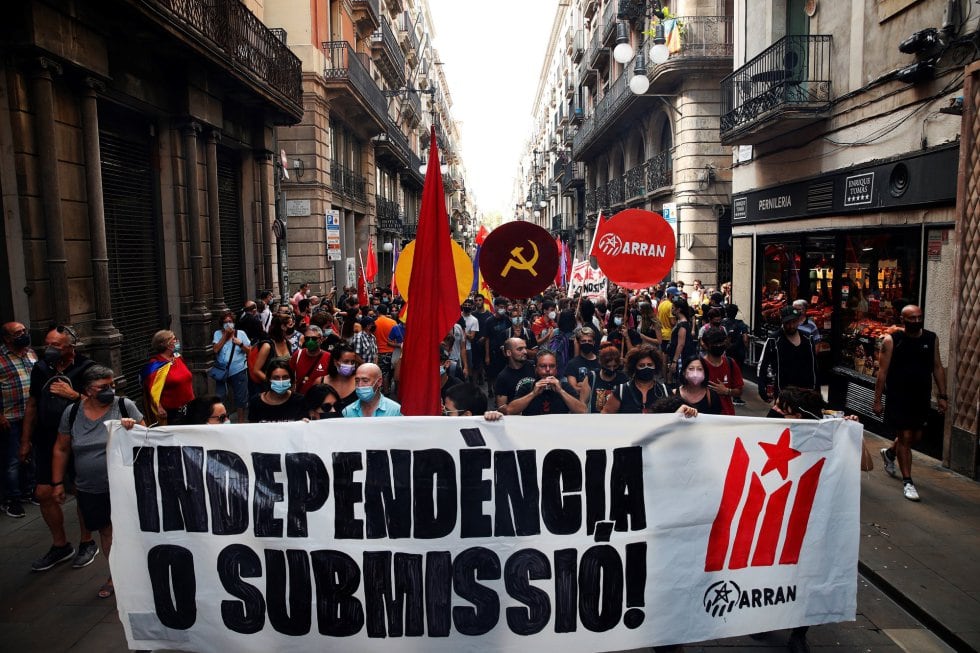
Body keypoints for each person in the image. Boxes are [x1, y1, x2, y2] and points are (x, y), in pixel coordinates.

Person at [51, 365, 144, 598]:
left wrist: (131, 429)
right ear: (88, 390)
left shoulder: (124, 406)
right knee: (106, 531)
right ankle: (117, 575)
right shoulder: (72, 413)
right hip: (90, 487)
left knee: (124, 529)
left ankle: (130, 573)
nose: (110, 390)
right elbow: (61, 449)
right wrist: (57, 483)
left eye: (112, 385)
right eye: (104, 387)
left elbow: (147, 438)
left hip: (124, 484)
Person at [20, 325, 98, 571]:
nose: (49, 349)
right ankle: (60, 545)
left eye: (55, 345)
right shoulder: (41, 369)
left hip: (78, 440)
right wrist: (25, 440)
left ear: (70, 347)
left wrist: (73, 394)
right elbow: (32, 404)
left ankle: (87, 541)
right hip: (46, 438)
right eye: (47, 344)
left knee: (79, 490)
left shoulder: (87, 369)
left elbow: (101, 405)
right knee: (44, 492)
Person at [874, 305, 947, 502]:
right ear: (903, 319)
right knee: (905, 436)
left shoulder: (931, 339)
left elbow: (937, 367)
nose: (916, 321)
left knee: (916, 436)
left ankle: (890, 453)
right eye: (911, 318)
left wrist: (942, 395)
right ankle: (908, 482)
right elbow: (882, 373)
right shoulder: (892, 341)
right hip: (899, 396)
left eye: (919, 317)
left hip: (921, 396)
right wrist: (878, 400)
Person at [0, 321, 37, 517]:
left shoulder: (30, 353)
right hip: (11, 416)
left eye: (24, 331)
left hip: (31, 415)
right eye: (17, 333)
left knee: (31, 454)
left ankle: (29, 491)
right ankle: (11, 499)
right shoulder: (1, 358)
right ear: (7, 338)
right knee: (13, 459)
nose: (23, 334)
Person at [757, 305, 817, 406]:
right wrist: (762, 387)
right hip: (784, 392)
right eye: (788, 323)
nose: (791, 326)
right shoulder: (774, 340)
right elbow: (763, 364)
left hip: (805, 392)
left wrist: (815, 389)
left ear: (798, 320)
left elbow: (814, 366)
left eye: (794, 322)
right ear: (782, 322)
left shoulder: (808, 339)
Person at [505, 350, 587, 416]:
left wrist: (561, 391)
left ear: (556, 369)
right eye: (543, 366)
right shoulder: (527, 386)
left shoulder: (564, 386)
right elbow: (510, 411)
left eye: (552, 366)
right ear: (536, 369)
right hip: (533, 432)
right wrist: (533, 394)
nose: (548, 370)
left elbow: (582, 411)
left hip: (558, 432)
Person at [140, 330, 194, 426]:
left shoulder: (178, 358)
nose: (177, 341)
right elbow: (152, 391)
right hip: (173, 413)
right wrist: (159, 407)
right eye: (174, 339)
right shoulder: (155, 366)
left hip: (190, 407)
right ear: (166, 344)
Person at [602, 345, 670, 414]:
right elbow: (605, 415)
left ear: (656, 366)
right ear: (634, 367)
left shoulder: (664, 391)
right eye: (641, 365)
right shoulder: (622, 391)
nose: (646, 368)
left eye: (650, 365)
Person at [211, 311, 251, 424]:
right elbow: (215, 349)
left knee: (240, 398)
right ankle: (223, 419)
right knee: (220, 396)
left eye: (230, 322)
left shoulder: (241, 334)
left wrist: (240, 344)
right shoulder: (218, 334)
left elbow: (250, 351)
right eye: (225, 322)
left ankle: (240, 422)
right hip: (222, 371)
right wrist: (225, 336)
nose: (228, 324)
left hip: (238, 370)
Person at [700, 326, 744, 416]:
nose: (719, 346)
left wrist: (727, 391)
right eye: (715, 343)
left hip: (727, 417)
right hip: (705, 418)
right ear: (706, 344)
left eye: (721, 342)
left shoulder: (730, 363)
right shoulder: (699, 365)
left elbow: (739, 391)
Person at [581, 344, 629, 414]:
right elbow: (583, 403)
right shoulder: (592, 377)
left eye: (615, 366)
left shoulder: (623, 379)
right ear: (601, 363)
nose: (612, 369)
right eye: (608, 366)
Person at [493, 338, 536, 413]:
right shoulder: (502, 378)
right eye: (520, 349)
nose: (525, 352)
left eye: (525, 348)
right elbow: (502, 409)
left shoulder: (533, 366)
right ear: (509, 353)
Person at [288, 325, 331, 395]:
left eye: (314, 339)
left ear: (321, 339)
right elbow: (290, 376)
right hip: (300, 398)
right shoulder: (297, 355)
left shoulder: (328, 357)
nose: (310, 341)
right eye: (307, 338)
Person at [321, 343, 362, 413]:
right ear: (335, 362)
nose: (350, 365)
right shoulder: (320, 382)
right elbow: (311, 409)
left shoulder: (360, 381)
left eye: (352, 362)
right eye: (346, 361)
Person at [666, 298, 697, 385]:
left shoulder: (682, 325)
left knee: (681, 380)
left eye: (673, 308)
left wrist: (674, 361)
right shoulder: (681, 322)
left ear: (678, 309)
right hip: (680, 357)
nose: (671, 310)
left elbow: (681, 344)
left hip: (681, 358)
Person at [563, 327, 600, 394]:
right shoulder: (572, 364)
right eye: (583, 341)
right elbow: (573, 388)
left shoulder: (601, 362)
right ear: (579, 342)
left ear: (593, 342)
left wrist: (582, 385)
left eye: (589, 341)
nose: (587, 343)